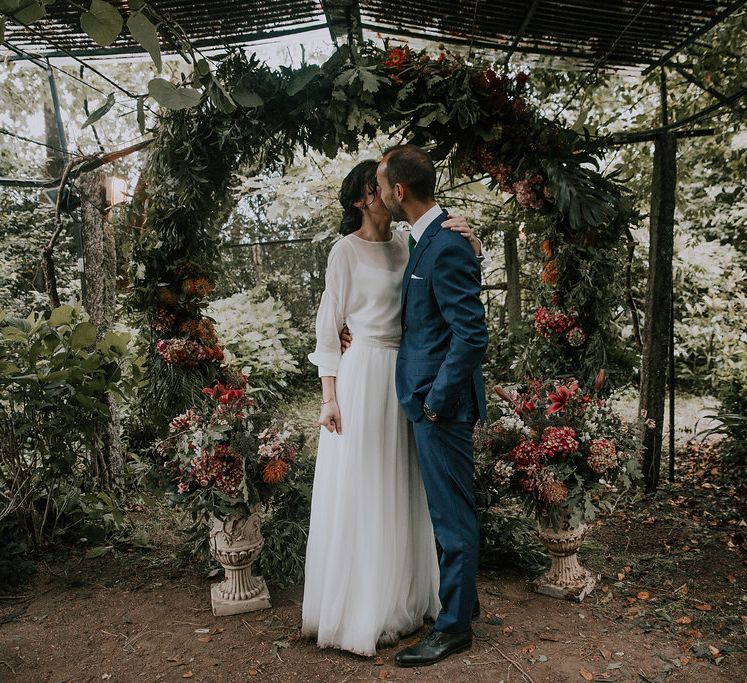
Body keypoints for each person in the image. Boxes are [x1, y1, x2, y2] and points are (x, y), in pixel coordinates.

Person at [301, 159, 485, 656]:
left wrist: (476, 244)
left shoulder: (413, 244)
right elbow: (328, 324)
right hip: (364, 378)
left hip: (409, 381)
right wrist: (330, 396)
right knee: (367, 487)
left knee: (407, 489)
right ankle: (367, 603)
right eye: (375, 186)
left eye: (386, 183)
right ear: (364, 197)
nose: (384, 192)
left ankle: (422, 596)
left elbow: (441, 304)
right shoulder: (343, 251)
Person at [376, 144, 488, 667]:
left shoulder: (445, 245)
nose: (378, 195)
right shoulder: (429, 239)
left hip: (440, 406)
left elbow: (471, 336)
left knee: (451, 516)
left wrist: (437, 402)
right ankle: (463, 603)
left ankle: (453, 629)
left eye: (381, 186)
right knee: (447, 512)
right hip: (428, 401)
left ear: (399, 191)